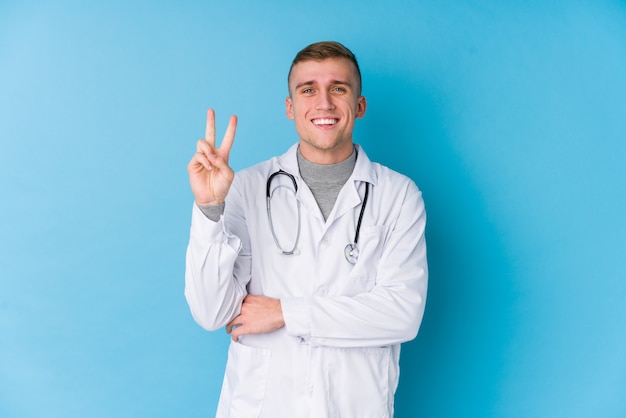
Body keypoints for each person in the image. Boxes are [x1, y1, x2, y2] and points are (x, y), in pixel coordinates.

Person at [185, 41, 428, 418]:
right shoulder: (247, 188)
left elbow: (402, 314)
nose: (325, 103)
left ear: (359, 106)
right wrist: (210, 207)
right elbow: (211, 312)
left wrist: (286, 313)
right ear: (290, 107)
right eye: (308, 89)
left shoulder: (398, 196)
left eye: (339, 88)